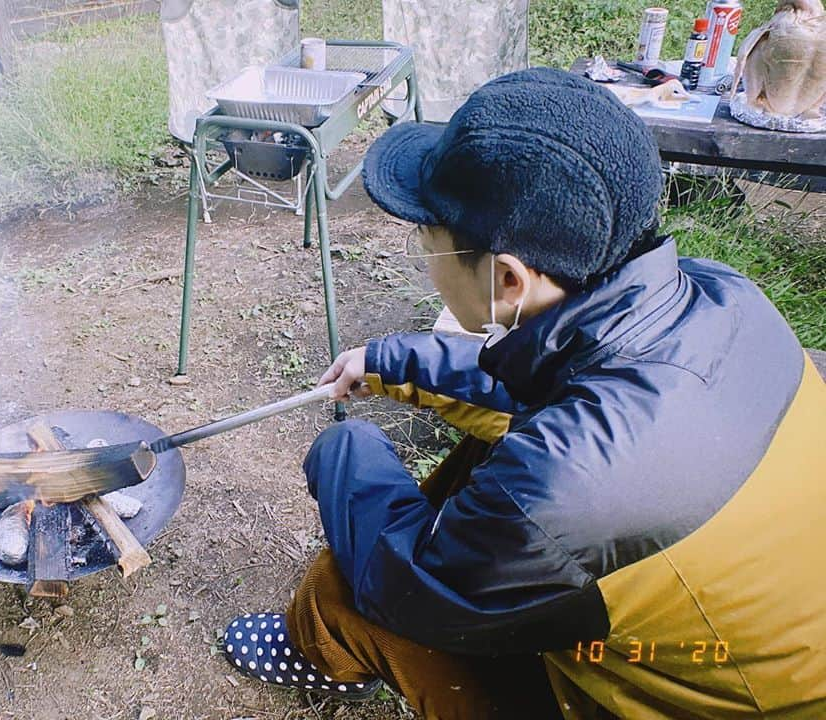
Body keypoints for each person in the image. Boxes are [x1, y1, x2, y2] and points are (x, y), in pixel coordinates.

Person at [220, 68, 826, 719]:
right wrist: (392, 360)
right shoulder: (718, 297)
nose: (424, 252)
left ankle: (329, 652)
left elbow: (414, 587)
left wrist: (345, 451)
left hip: (707, 702)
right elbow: (548, 383)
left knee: (363, 584)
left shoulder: (568, 486)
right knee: (478, 474)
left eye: (427, 238)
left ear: (508, 278)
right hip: (753, 626)